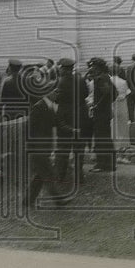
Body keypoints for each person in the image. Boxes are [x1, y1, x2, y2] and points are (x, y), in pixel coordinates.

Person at [24, 84, 64, 209]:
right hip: (37, 147)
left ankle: (27, 201)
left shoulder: (50, 106)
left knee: (40, 176)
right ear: (48, 92)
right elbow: (30, 128)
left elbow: (57, 124)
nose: (57, 94)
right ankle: (59, 200)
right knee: (48, 174)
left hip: (43, 146)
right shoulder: (39, 107)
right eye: (55, 91)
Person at [53, 58, 86, 189]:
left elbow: (57, 99)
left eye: (60, 68)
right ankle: (79, 176)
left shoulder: (61, 82)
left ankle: (60, 175)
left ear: (63, 68)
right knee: (79, 148)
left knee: (63, 147)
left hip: (65, 116)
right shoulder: (80, 79)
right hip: (80, 115)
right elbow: (85, 94)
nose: (59, 70)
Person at [88, 57, 117, 172]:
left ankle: (103, 164)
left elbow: (108, 93)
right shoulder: (105, 77)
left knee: (102, 138)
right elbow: (113, 93)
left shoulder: (101, 78)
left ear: (98, 67)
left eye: (93, 66)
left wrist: (97, 105)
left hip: (101, 113)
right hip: (104, 112)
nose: (91, 68)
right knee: (103, 138)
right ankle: (107, 163)